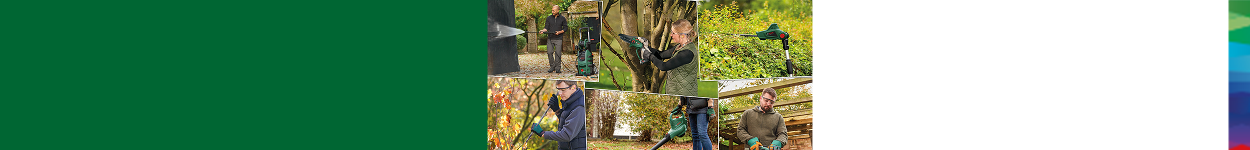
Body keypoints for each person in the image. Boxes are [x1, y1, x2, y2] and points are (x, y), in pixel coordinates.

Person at [639, 19, 698, 96]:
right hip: (675, 93)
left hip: (683, 95)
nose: (671, 35)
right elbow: (660, 55)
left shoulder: (687, 53)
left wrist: (649, 56)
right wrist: (644, 46)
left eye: (673, 33)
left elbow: (664, 66)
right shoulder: (679, 47)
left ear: (682, 35)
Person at [530, 80, 585, 150]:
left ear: (573, 87)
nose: (560, 93)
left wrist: (543, 133)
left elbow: (567, 135)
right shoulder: (571, 101)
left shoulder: (579, 107)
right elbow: (569, 121)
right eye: (559, 90)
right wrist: (557, 110)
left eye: (563, 90)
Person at [541, 5, 568, 73]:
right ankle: (552, 66)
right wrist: (543, 31)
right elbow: (546, 28)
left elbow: (565, 28)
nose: (552, 12)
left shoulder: (562, 18)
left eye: (554, 10)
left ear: (558, 11)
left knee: (558, 53)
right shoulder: (549, 18)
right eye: (552, 10)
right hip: (550, 38)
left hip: (558, 38)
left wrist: (559, 32)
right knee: (549, 52)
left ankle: (558, 68)